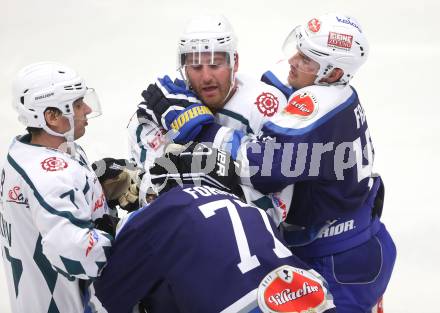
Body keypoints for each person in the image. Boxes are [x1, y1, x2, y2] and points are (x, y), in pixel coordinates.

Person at [141, 13, 396, 313]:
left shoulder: (319, 104)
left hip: (340, 260)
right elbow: (272, 85)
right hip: (357, 243)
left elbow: (261, 168)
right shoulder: (324, 85)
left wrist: (201, 127)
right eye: (298, 50)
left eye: (306, 60)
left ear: (334, 73)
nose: (293, 61)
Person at [90, 143, 336, 313]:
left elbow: (103, 298)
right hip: (313, 298)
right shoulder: (255, 211)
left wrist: (104, 223)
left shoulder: (156, 215)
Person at [127, 14, 292, 224]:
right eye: (196, 67)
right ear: (184, 68)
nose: (206, 77)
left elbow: (278, 206)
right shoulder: (163, 109)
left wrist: (221, 187)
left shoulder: (264, 104)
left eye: (215, 64)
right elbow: (149, 195)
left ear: (236, 62)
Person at [0, 62, 116, 313]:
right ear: (51, 117)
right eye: (76, 104)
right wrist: (123, 231)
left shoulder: (29, 152)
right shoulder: (49, 176)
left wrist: (100, 187)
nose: (86, 109)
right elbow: (75, 252)